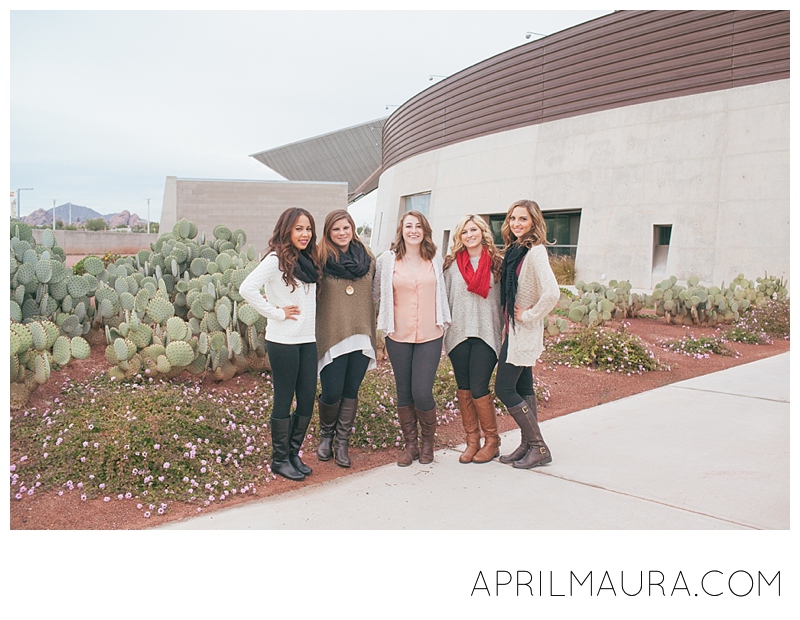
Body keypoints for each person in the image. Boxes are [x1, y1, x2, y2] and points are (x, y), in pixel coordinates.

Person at [239, 207, 321, 481]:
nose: (304, 234)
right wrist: (276, 312)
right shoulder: (276, 260)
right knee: (284, 400)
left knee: (307, 399)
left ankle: (293, 453)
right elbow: (247, 288)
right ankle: (279, 459)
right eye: (299, 228)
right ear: (286, 229)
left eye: (308, 228)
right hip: (283, 341)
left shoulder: (308, 260)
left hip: (307, 340)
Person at [373, 210, 451, 467]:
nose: (413, 230)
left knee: (422, 391)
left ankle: (428, 443)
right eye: (409, 226)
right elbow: (375, 292)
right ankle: (410, 445)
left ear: (425, 230)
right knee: (404, 391)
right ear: (402, 230)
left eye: (418, 226)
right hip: (398, 334)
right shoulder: (388, 260)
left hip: (430, 333)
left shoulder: (435, 259)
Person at [495, 199, 560, 469]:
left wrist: (529, 314)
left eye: (522, 219)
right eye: (513, 219)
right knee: (523, 388)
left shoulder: (535, 252)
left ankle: (538, 447)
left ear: (534, 221)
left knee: (504, 388)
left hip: (524, 330)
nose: (516, 224)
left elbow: (552, 292)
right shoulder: (515, 251)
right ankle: (527, 445)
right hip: (514, 329)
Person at [315, 209, 377, 468]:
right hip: (332, 334)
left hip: (361, 334)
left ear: (352, 229)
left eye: (346, 227)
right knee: (331, 391)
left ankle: (342, 442)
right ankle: (325, 436)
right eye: (336, 229)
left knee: (351, 390)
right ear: (328, 232)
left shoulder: (369, 258)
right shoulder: (318, 259)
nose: (342, 233)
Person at [442, 214, 504, 464]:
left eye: (474, 229)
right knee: (464, 388)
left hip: (486, 334)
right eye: (465, 231)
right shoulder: (451, 265)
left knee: (479, 388)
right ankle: (472, 441)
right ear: (459, 236)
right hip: (458, 335)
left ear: (482, 232)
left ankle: (492, 441)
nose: (470, 235)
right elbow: (444, 301)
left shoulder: (497, 263)